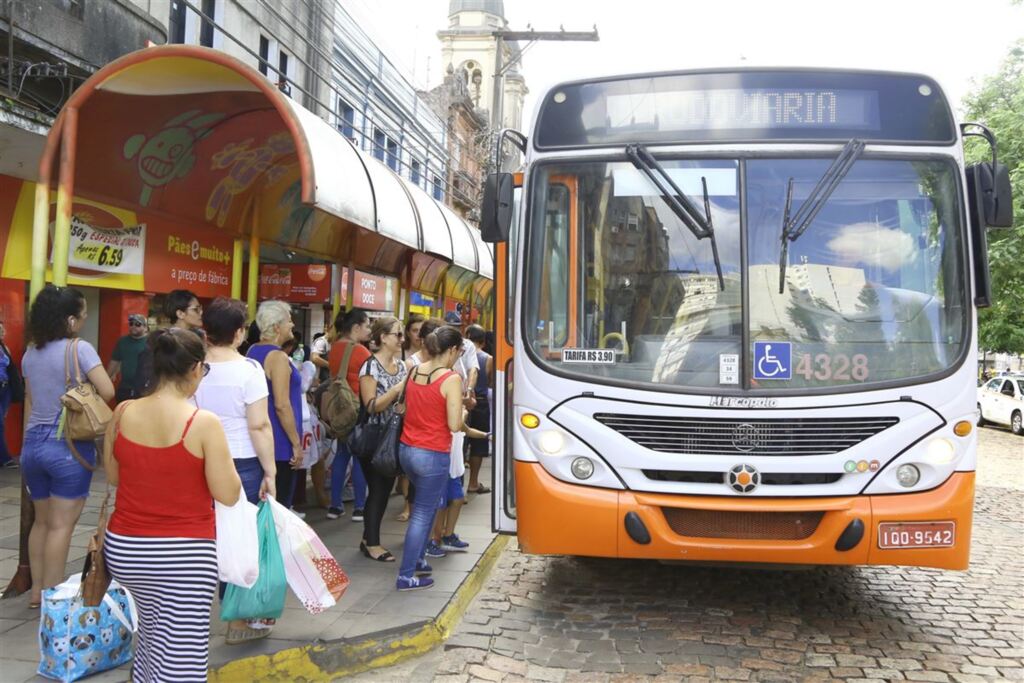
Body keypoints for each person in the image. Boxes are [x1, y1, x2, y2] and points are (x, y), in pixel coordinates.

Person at [103, 328, 241, 681]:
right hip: (183, 555)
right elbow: (228, 494)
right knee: (182, 654)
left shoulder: (123, 412)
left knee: (151, 639)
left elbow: (114, 477)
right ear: (194, 368)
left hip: (126, 549)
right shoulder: (203, 422)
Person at [21, 285, 115, 608]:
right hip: (68, 446)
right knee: (61, 526)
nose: (85, 319)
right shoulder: (80, 349)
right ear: (71, 320)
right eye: (83, 314)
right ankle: (54, 599)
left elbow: (30, 401)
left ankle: (37, 593)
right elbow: (107, 390)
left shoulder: (30, 353)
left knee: (42, 522)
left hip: (33, 445)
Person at [396, 326, 465, 591]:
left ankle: (419, 559)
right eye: (459, 351)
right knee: (423, 514)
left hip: (407, 450)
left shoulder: (414, 370)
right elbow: (454, 424)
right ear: (452, 350)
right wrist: (463, 413)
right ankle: (406, 575)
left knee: (428, 506)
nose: (459, 355)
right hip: (433, 454)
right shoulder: (451, 378)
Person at [356, 317, 408, 561]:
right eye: (398, 334)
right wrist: (395, 391)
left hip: (394, 434)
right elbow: (371, 406)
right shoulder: (370, 367)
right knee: (378, 488)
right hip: (375, 436)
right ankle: (373, 544)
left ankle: (368, 538)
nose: (402, 339)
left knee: (384, 488)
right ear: (383, 337)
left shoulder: (402, 366)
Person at [247, 301, 303, 508]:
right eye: (289, 320)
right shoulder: (278, 357)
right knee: (279, 507)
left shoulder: (252, 350)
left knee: (261, 506)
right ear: (277, 327)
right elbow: (282, 405)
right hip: (280, 441)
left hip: (260, 439)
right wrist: (296, 443)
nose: (293, 324)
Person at [326, 309, 372, 521]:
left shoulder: (334, 347)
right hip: (357, 408)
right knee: (359, 458)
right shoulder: (360, 351)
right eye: (367, 326)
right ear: (356, 327)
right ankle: (360, 507)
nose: (369, 330)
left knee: (341, 456)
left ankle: (335, 506)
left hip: (340, 409)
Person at [133, 289, 202, 397]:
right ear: (180, 313)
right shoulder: (159, 340)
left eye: (201, 308)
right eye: (196, 309)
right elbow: (145, 379)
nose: (201, 313)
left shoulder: (197, 339)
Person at [394, 314, 426, 521]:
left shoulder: (431, 354)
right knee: (406, 465)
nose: (418, 335)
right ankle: (407, 503)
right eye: (414, 331)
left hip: (419, 414)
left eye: (421, 331)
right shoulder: (403, 355)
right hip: (405, 412)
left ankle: (409, 503)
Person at [465, 324, 492, 494]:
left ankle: (457, 485)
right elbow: (490, 381)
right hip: (481, 404)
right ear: (483, 341)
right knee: (478, 446)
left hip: (463, 402)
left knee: (461, 443)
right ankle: (473, 482)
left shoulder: (460, 355)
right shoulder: (488, 358)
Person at [106, 313, 148, 403]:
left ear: (145, 328)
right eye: (131, 324)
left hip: (144, 390)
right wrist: (105, 380)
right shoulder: (123, 341)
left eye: (138, 324)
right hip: (124, 388)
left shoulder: (151, 342)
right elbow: (114, 361)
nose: (133, 326)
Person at [0, 320, 24, 468]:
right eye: (0, 330)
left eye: (3, 329)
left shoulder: (4, 348)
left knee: (1, 422)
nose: (3, 332)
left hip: (5, 389)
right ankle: (4, 458)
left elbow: (10, 369)